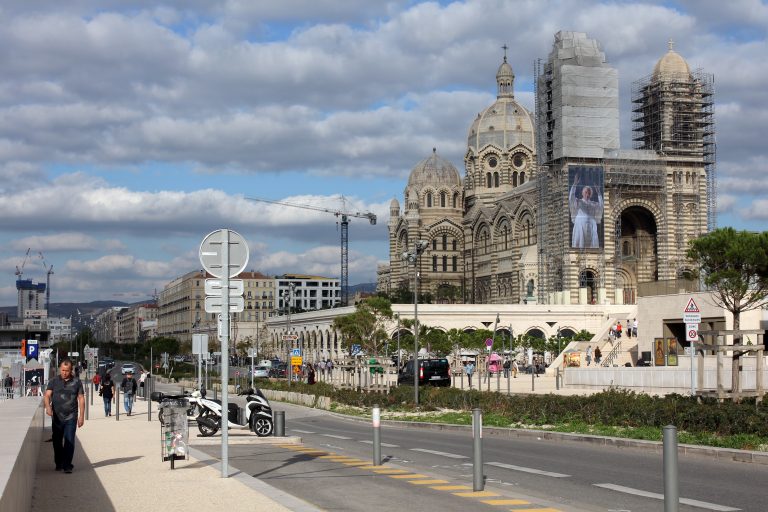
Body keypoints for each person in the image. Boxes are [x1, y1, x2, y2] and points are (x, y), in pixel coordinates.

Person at [44, 359, 85, 473]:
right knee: (57, 441)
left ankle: (67, 465)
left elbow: (81, 398)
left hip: (71, 417)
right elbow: (47, 395)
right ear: (59, 369)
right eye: (62, 370)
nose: (64, 372)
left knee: (69, 441)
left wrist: (81, 416)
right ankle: (59, 462)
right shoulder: (53, 381)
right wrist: (47, 407)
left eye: (67, 370)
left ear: (71, 370)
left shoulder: (77, 382)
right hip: (57, 417)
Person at [569, 172, 603, 249]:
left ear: (591, 194)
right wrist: (574, 184)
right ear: (582, 193)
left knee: (591, 246)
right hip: (580, 225)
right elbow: (571, 198)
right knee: (580, 244)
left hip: (591, 226)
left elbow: (601, 206)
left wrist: (599, 193)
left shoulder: (594, 204)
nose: (587, 194)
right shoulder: (578, 201)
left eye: (589, 192)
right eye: (586, 192)